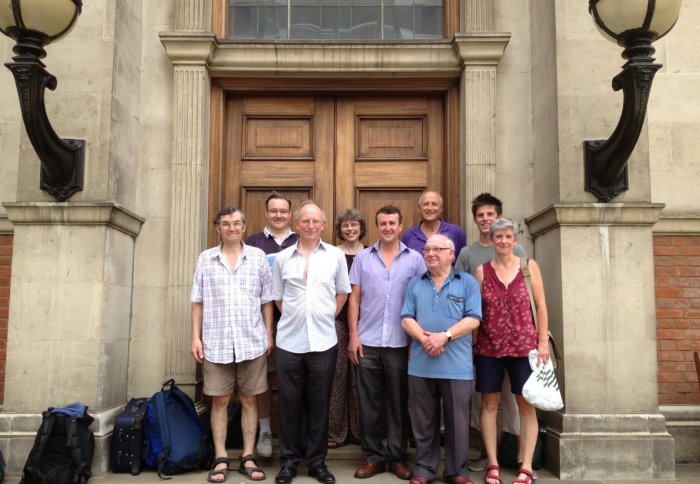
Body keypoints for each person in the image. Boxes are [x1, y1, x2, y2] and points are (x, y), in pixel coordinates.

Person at [190, 206, 273, 483]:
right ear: (218, 228)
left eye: (237, 223)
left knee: (250, 400)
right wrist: (195, 337)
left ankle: (248, 456)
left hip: (252, 340)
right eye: (226, 224)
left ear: (244, 227)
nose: (232, 228)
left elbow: (266, 300)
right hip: (216, 341)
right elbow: (198, 301)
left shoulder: (258, 258)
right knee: (220, 401)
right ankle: (221, 456)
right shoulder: (206, 259)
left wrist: (269, 334)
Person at [272, 201, 352, 484]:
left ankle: (317, 463)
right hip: (289, 342)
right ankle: (289, 462)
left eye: (315, 221)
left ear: (322, 224)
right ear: (297, 224)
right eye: (304, 221)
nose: (309, 225)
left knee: (320, 404)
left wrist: (325, 316)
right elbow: (277, 297)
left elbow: (343, 292)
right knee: (289, 403)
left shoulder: (335, 256)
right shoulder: (282, 258)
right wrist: (297, 317)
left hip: (324, 341)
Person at [348, 205, 425, 481]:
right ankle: (372, 457)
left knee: (398, 402)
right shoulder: (362, 258)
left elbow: (423, 298)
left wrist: (418, 338)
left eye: (393, 223)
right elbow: (354, 298)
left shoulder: (415, 259)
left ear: (401, 225)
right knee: (367, 403)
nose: (388, 228)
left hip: (401, 343)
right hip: (367, 341)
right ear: (377, 226)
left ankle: (397, 458)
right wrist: (354, 336)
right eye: (383, 223)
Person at [473, 218, 549, 484]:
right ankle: (492, 463)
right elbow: (476, 312)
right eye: (498, 237)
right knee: (489, 403)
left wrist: (541, 343)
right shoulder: (481, 271)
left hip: (523, 347)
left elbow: (540, 306)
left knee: (525, 405)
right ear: (491, 241)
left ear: (515, 240)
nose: (503, 241)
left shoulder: (528, 268)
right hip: (489, 347)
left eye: (508, 236)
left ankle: (525, 466)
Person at [400, 234, 481, 484]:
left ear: (451, 253)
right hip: (421, 366)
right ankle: (424, 469)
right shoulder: (415, 283)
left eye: (437, 249)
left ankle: (457, 471)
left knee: (458, 423)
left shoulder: (467, 282)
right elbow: (406, 318)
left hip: (457, 367)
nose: (431, 253)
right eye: (427, 250)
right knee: (423, 422)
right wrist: (426, 340)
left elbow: (473, 319)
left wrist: (444, 336)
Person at [455, 193, 526, 473]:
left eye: (490, 214)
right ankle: (489, 455)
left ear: (499, 217)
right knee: (486, 399)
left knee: (515, 399)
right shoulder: (467, 254)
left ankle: (521, 455)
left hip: (516, 340)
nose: (485, 219)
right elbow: (459, 291)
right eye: (480, 215)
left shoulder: (517, 253)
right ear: (475, 220)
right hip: (482, 339)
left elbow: (526, 295)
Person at [246, 191, 299, 458]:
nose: (279, 215)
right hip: (260, 323)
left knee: (297, 379)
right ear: (266, 213)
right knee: (264, 379)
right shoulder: (253, 243)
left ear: (290, 214)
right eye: (273, 211)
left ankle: (299, 433)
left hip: (299, 323)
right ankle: (265, 431)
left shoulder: (302, 240)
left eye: (283, 211)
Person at [327, 208, 365, 449]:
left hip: (367, 324)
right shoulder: (331, 254)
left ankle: (361, 431)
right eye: (345, 225)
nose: (350, 229)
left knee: (362, 378)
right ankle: (336, 432)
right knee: (338, 377)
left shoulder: (372, 253)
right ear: (339, 230)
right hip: (337, 322)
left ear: (361, 228)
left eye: (354, 224)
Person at [401, 190, 466, 256]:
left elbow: (462, 264)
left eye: (434, 204)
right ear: (419, 209)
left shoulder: (456, 232)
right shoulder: (409, 235)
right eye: (426, 204)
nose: (430, 208)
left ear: (441, 209)